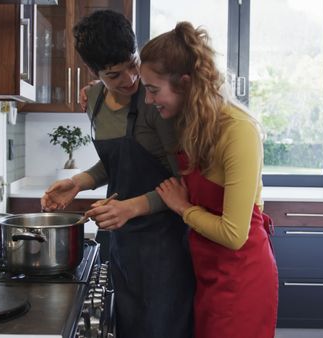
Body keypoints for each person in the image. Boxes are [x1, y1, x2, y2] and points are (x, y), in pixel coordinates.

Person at [40, 10, 194, 338]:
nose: (130, 80)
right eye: (113, 75)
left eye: (132, 64)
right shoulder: (93, 99)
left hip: (164, 243)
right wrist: (78, 182)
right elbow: (116, 164)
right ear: (94, 73)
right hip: (122, 241)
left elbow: (182, 180)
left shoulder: (155, 101)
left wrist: (130, 207)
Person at [140, 22, 279, 338]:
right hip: (208, 276)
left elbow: (233, 235)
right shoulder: (189, 123)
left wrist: (183, 208)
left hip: (242, 280)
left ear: (185, 84)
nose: (148, 100)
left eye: (153, 90)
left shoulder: (238, 131)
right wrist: (96, 90)